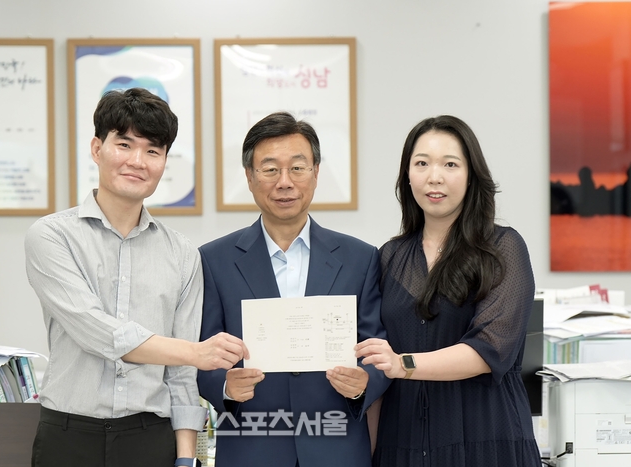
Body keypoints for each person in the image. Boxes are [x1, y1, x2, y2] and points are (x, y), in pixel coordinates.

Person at [25, 88, 247, 467]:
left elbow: (180, 376)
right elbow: (95, 330)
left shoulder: (182, 253)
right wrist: (195, 352)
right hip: (68, 435)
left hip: (151, 437)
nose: (137, 161)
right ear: (97, 149)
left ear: (164, 162)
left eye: (152, 151)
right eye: (124, 144)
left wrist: (186, 458)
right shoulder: (51, 236)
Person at [197, 111, 389, 467]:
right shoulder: (213, 260)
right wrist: (224, 386)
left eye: (297, 168)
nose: (284, 182)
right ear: (250, 177)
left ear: (316, 173)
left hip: (337, 449)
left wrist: (366, 381)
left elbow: (376, 348)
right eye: (270, 169)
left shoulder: (360, 258)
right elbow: (202, 353)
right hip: (251, 449)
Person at [355, 115, 541, 466]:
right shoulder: (389, 257)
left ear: (472, 175)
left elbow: (489, 351)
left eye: (450, 164)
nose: (434, 177)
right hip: (403, 447)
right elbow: (377, 369)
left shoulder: (503, 249)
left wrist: (402, 363)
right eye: (422, 163)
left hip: (486, 443)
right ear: (407, 175)